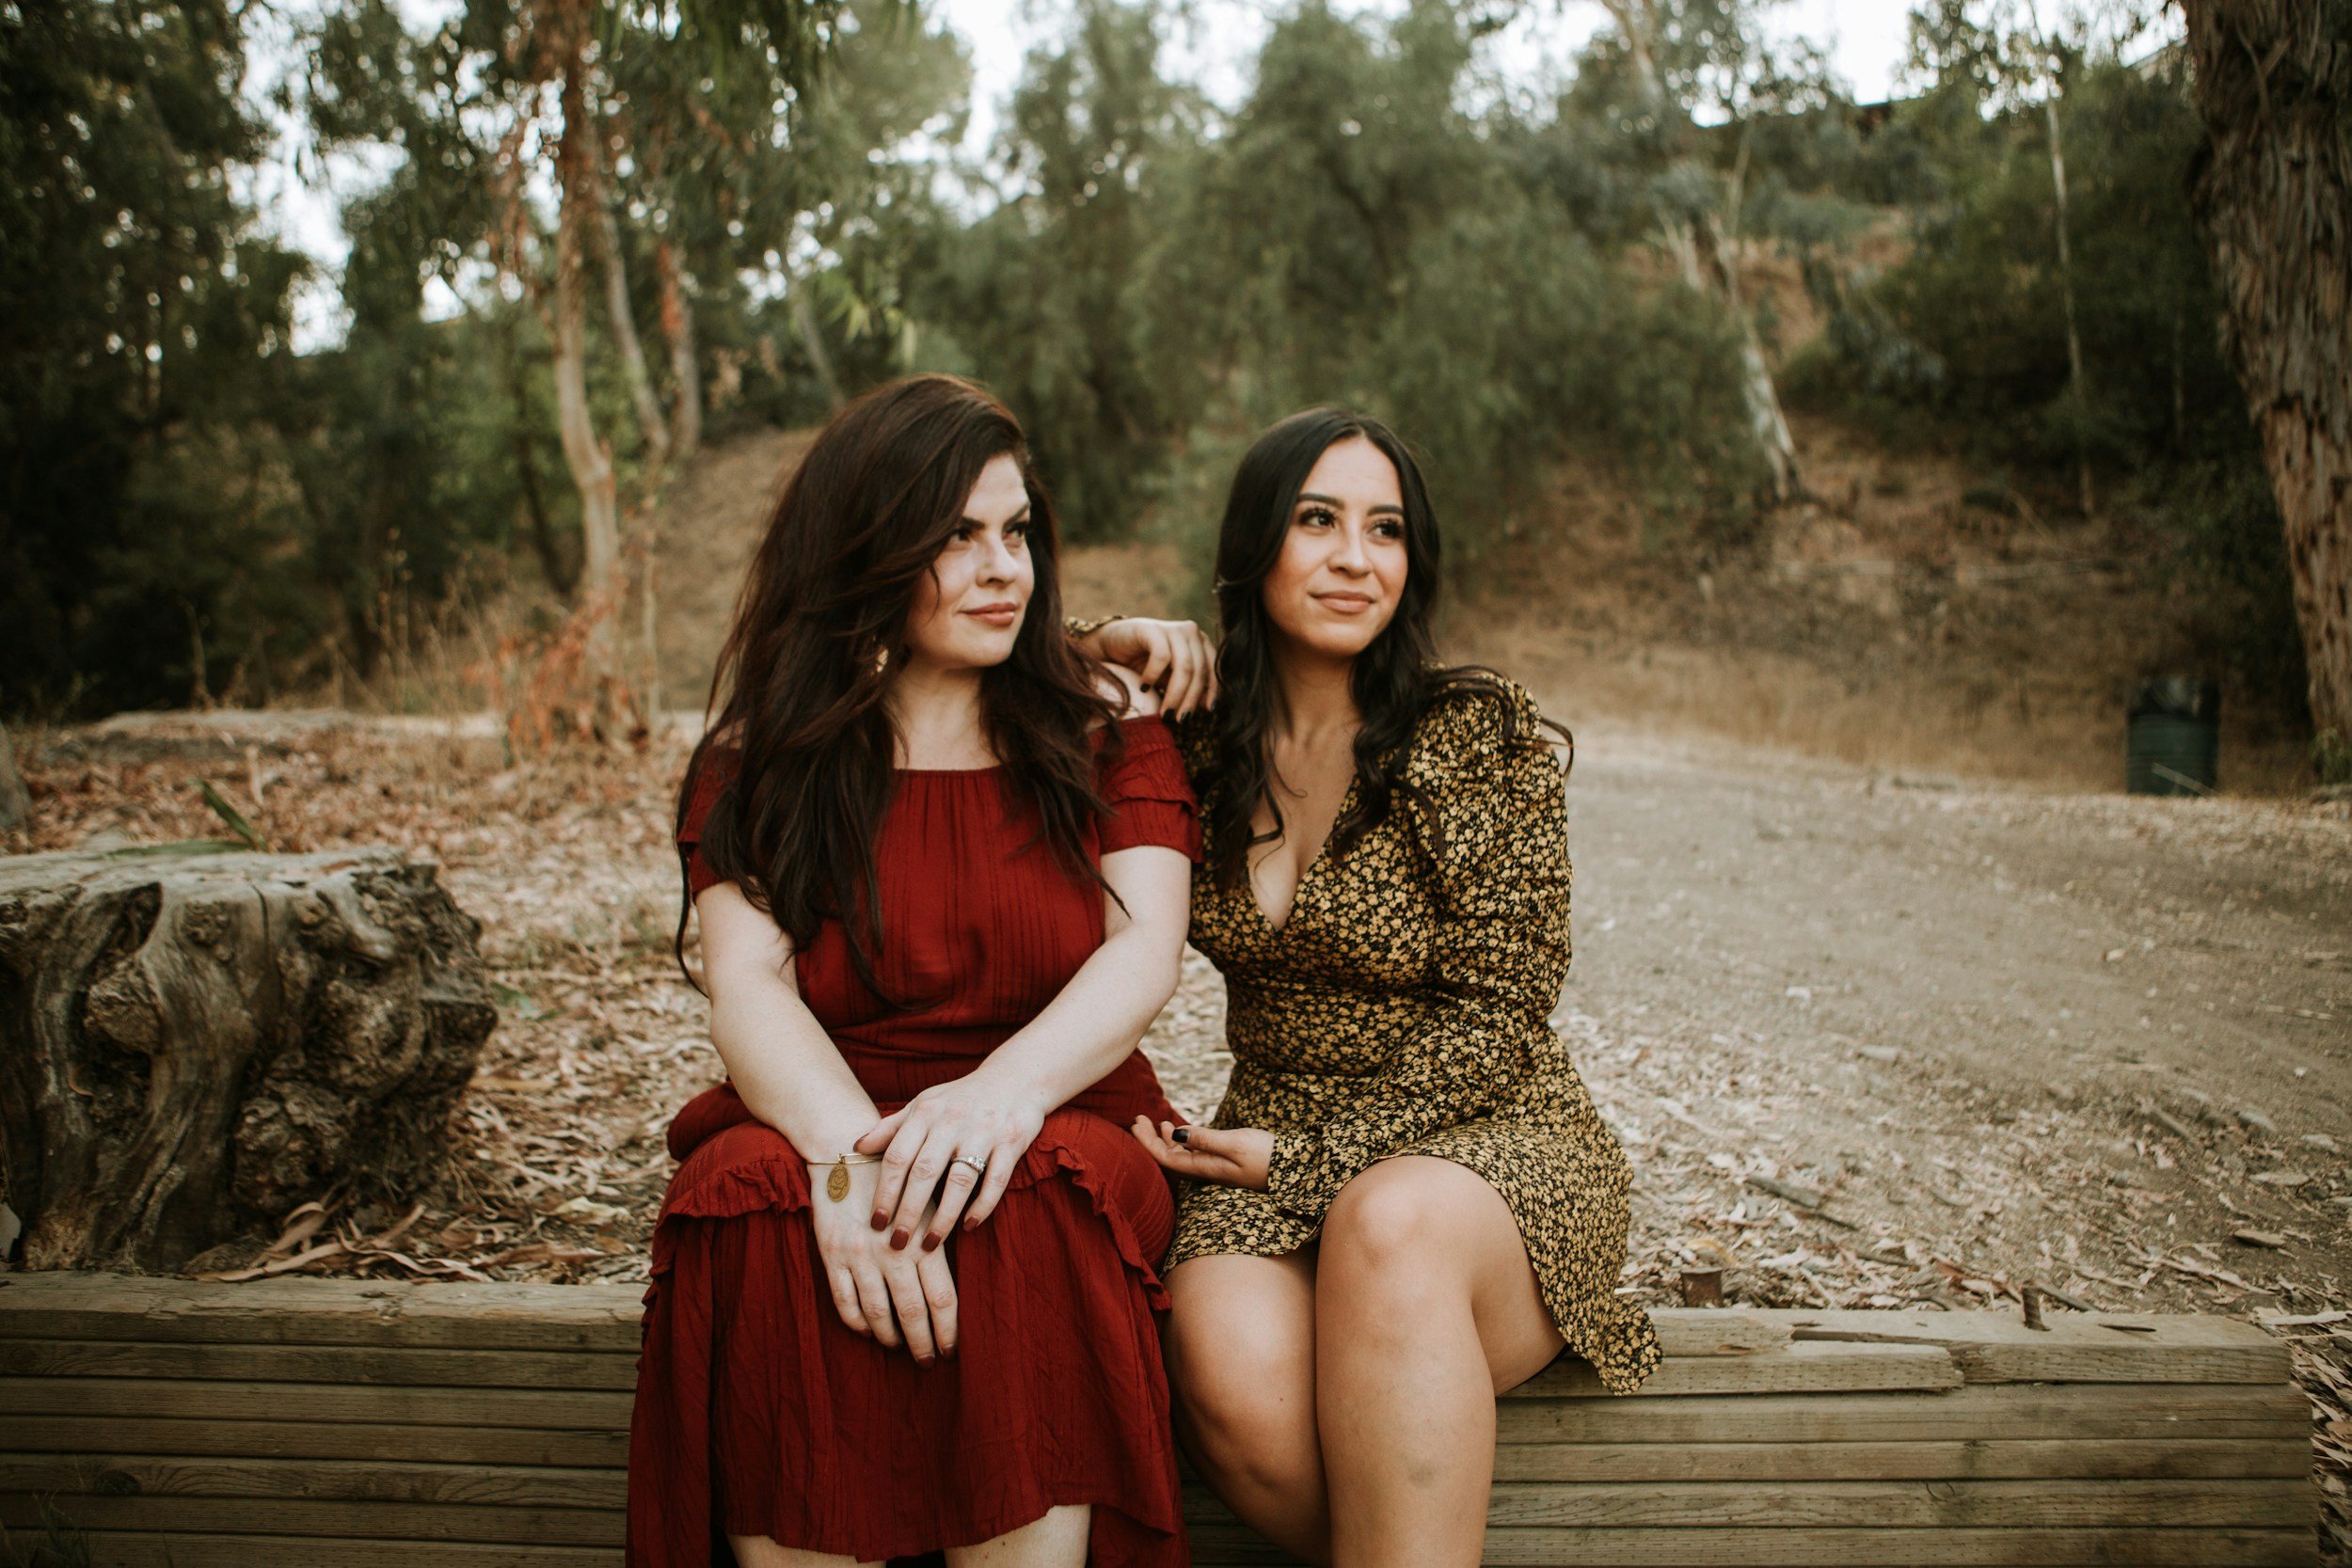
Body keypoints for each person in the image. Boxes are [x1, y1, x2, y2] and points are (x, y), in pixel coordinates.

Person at [628, 374, 1200, 1568]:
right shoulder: (764, 757)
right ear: (868, 549)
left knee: (1022, 1196)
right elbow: (752, 986)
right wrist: (846, 1169)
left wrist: (995, 1097)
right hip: (823, 1103)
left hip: (1058, 1105)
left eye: (1017, 531)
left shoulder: (1101, 724)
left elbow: (1142, 948)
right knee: (755, 1206)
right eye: (956, 536)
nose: (1005, 568)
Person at [1089, 408, 1662, 1567]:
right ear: (1253, 546)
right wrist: (1104, 638)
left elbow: (1497, 1017)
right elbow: (978, 662)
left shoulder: (1473, 734)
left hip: (1484, 1139)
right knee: (1224, 1366)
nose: (1357, 556)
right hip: (1269, 1132)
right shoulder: (1193, 749)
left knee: (1385, 1222)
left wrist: (1308, 1162)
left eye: (1385, 528)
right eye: (1317, 519)